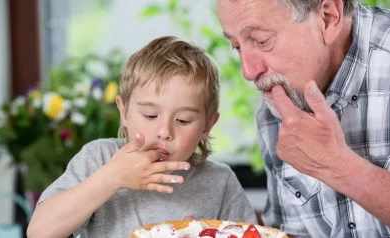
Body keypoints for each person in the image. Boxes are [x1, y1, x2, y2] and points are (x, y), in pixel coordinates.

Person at [26, 35, 257, 238]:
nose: (165, 132)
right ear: (124, 112)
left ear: (207, 126)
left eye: (183, 120)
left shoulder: (220, 182)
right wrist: (112, 178)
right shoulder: (99, 159)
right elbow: (40, 231)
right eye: (150, 115)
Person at [217, 0, 390, 237]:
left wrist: (337, 165)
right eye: (236, 46)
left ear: (328, 17)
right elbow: (292, 232)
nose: (248, 72)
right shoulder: (277, 101)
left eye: (262, 41)